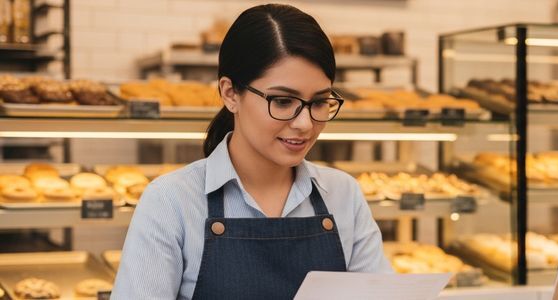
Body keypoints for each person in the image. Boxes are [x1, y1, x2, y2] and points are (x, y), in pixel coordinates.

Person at [112, 4, 392, 299]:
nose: (305, 123)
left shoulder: (344, 195)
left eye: (320, 102)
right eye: (283, 101)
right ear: (230, 93)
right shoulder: (171, 202)